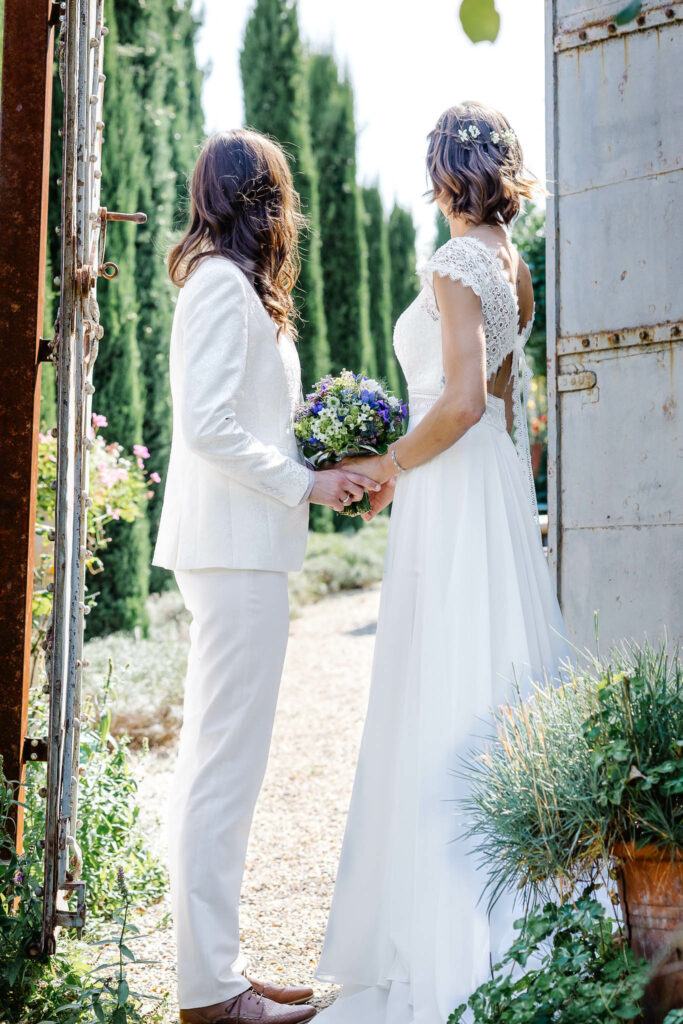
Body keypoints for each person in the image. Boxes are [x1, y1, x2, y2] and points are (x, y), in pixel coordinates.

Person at [314, 101, 570, 1024]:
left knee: (444, 689)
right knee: (492, 675)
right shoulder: (514, 265)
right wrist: (412, 470)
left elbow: (459, 401)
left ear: (443, 174)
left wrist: (390, 465)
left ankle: (456, 940)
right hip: (484, 486)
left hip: (453, 489)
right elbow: (503, 408)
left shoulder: (455, 262)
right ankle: (526, 917)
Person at [153, 128, 378, 1024]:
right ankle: (209, 991)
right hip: (232, 550)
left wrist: (325, 460)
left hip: (245, 547)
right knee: (221, 769)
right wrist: (303, 482)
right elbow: (206, 426)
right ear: (261, 198)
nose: (290, 208)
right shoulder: (218, 284)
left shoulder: (236, 287)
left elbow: (247, 421)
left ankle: (219, 969)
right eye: (280, 190)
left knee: (224, 766)